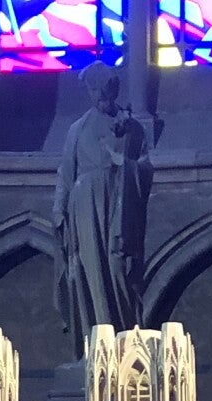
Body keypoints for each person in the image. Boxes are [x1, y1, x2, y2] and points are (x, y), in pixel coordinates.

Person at [53, 65, 151, 349]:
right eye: (93, 92)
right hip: (84, 207)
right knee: (89, 273)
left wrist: (123, 162)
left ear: (114, 90)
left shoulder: (132, 128)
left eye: (103, 92)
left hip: (119, 207)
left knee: (119, 268)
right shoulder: (77, 129)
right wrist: (59, 209)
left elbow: (145, 168)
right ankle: (95, 343)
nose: (99, 97)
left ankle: (124, 342)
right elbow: (65, 172)